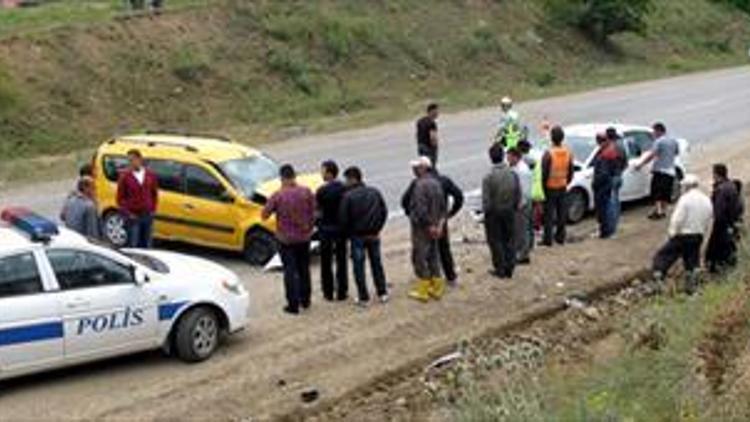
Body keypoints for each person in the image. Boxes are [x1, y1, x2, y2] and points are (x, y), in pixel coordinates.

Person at [262, 164, 316, 315]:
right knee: (304, 269)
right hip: (304, 238)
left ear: (282, 178)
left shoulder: (278, 195)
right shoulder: (307, 192)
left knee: (290, 271)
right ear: (294, 176)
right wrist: (309, 229)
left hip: (285, 240)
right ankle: (305, 300)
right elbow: (314, 213)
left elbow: (264, 215)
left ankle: (293, 305)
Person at [401, 164, 464, 286]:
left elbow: (404, 201)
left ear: (423, 170)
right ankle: (450, 277)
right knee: (443, 249)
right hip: (440, 220)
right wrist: (450, 213)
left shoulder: (417, 183)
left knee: (422, 253)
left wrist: (411, 215)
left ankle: (427, 280)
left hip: (423, 225)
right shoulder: (444, 181)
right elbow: (459, 196)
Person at [651, 175, 713, 295]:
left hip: (683, 235)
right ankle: (692, 288)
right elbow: (709, 217)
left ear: (687, 186)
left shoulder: (685, 199)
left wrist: (672, 233)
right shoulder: (706, 199)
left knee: (662, 256)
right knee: (692, 261)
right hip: (698, 235)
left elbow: (677, 219)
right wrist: (702, 232)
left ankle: (658, 280)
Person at [339, 166, 389, 306]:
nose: (345, 183)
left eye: (347, 180)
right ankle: (382, 292)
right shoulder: (374, 192)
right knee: (376, 264)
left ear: (352, 179)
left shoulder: (348, 197)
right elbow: (383, 212)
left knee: (359, 267)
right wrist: (378, 228)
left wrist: (349, 234)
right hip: (373, 234)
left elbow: (343, 219)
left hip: (357, 236)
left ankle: (363, 297)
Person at [404, 157, 448, 302]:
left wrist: (429, 226)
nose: (413, 170)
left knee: (420, 257)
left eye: (416, 167)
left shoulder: (419, 185)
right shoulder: (437, 183)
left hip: (422, 228)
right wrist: (439, 226)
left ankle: (423, 290)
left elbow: (420, 210)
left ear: (423, 168)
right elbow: (443, 207)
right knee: (434, 256)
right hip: (436, 226)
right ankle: (437, 288)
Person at [482, 144, 521, 278]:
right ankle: (510, 267)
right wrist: (514, 208)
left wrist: (485, 215)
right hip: (509, 211)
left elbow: (486, 201)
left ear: (491, 158)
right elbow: (518, 194)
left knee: (496, 241)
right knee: (509, 240)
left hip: (494, 214)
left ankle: (500, 269)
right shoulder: (512, 174)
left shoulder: (488, 177)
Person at [315, 160, 348, 301]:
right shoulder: (344, 188)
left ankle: (328, 292)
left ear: (329, 173)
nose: (321, 173)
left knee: (326, 262)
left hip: (326, 229)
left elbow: (317, 212)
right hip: (341, 229)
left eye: (322, 171)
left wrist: (317, 224)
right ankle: (342, 291)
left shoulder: (321, 191)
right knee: (341, 260)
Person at [636, 122, 680, 220]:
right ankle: (663, 211)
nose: (653, 134)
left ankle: (658, 212)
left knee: (656, 192)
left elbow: (652, 155)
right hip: (671, 170)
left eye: (654, 131)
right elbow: (676, 152)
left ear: (658, 131)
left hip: (660, 170)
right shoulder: (673, 141)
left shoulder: (659, 142)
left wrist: (641, 164)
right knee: (665, 193)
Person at [116, 149, 159, 248]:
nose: (130, 163)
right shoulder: (125, 177)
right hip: (133, 216)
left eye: (132, 160)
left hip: (147, 215)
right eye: (129, 160)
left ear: (140, 159)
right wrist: (128, 214)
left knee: (147, 244)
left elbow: (154, 194)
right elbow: (120, 199)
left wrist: (153, 210)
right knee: (133, 245)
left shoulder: (150, 175)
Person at [540, 126, 574, 246]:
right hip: (562, 186)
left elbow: (543, 173)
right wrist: (565, 181)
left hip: (550, 187)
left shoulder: (548, 154)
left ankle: (548, 240)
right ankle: (560, 238)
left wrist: (543, 188)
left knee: (549, 215)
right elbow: (571, 172)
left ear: (551, 138)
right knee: (561, 214)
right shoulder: (567, 153)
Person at [705, 164, 741, 273]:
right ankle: (729, 267)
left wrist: (716, 219)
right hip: (731, 222)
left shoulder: (721, 189)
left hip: (722, 224)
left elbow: (719, 211)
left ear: (716, 174)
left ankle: (717, 270)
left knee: (716, 249)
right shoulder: (731, 186)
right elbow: (738, 206)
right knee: (729, 247)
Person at [591, 133, 619, 239]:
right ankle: (608, 231)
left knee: (602, 210)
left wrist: (595, 183)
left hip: (602, 186)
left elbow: (603, 173)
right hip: (608, 183)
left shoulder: (604, 155)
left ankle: (604, 232)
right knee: (608, 208)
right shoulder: (611, 150)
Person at [508, 148, 533, 264]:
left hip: (522, 205)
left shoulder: (522, 171)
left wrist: (519, 205)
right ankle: (520, 252)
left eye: (509, 157)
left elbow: (525, 191)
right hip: (519, 203)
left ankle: (523, 255)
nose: (507, 159)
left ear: (515, 157)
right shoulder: (516, 168)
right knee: (519, 230)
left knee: (522, 230)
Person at [606, 127, 628, 233]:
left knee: (612, 201)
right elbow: (625, 163)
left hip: (613, 176)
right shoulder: (621, 146)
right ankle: (615, 222)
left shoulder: (612, 148)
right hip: (618, 175)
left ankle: (612, 226)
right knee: (616, 200)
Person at [416, 103, 440, 167]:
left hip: (420, 146)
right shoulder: (432, 123)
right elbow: (433, 138)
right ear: (431, 112)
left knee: (424, 165)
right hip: (428, 148)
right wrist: (435, 149)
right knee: (431, 166)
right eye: (436, 112)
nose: (437, 114)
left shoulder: (420, 121)